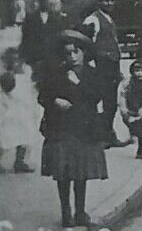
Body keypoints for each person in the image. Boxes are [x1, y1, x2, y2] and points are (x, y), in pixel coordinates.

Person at [39, 29, 108, 229]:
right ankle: (66, 212)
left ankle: (80, 212)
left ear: (84, 53)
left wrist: (78, 84)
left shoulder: (92, 73)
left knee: (81, 173)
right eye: (67, 53)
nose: (72, 56)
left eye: (76, 52)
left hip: (84, 129)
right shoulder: (56, 73)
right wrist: (54, 101)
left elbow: (96, 96)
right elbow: (42, 96)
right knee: (63, 172)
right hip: (61, 129)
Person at [80, 0, 128, 148]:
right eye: (105, 1)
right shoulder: (93, 19)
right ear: (99, 2)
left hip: (111, 68)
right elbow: (87, 45)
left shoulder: (109, 18)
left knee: (110, 104)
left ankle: (109, 135)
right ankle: (99, 137)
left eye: (111, 1)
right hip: (99, 68)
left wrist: (117, 70)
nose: (109, 4)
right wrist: (91, 67)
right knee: (98, 103)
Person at [0, 44, 41, 173]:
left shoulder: (23, 75)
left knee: (21, 138)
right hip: (12, 112)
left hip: (21, 112)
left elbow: (29, 91)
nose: (16, 63)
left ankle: (18, 161)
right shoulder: (8, 77)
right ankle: (1, 162)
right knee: (8, 139)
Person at [20, 0, 67, 82]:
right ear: (39, 2)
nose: (48, 3)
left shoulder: (57, 18)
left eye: (49, 0)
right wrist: (26, 58)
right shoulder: (31, 18)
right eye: (44, 0)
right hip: (36, 58)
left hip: (53, 59)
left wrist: (61, 58)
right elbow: (26, 39)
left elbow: (61, 39)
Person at [116, 59, 142, 159]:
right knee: (132, 127)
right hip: (130, 109)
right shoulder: (127, 83)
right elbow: (122, 96)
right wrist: (124, 110)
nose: (139, 74)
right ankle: (133, 136)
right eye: (137, 71)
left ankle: (140, 147)